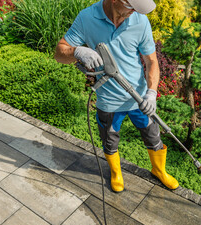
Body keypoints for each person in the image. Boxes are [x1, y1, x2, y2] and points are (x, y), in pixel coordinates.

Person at [54, 0, 178, 193]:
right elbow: (59, 53)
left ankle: (159, 170)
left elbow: (151, 61)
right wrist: (77, 51)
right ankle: (115, 173)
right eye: (132, 7)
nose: (135, 12)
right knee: (110, 140)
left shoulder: (140, 20)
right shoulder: (87, 18)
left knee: (153, 137)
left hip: (139, 99)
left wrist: (151, 93)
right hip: (108, 101)